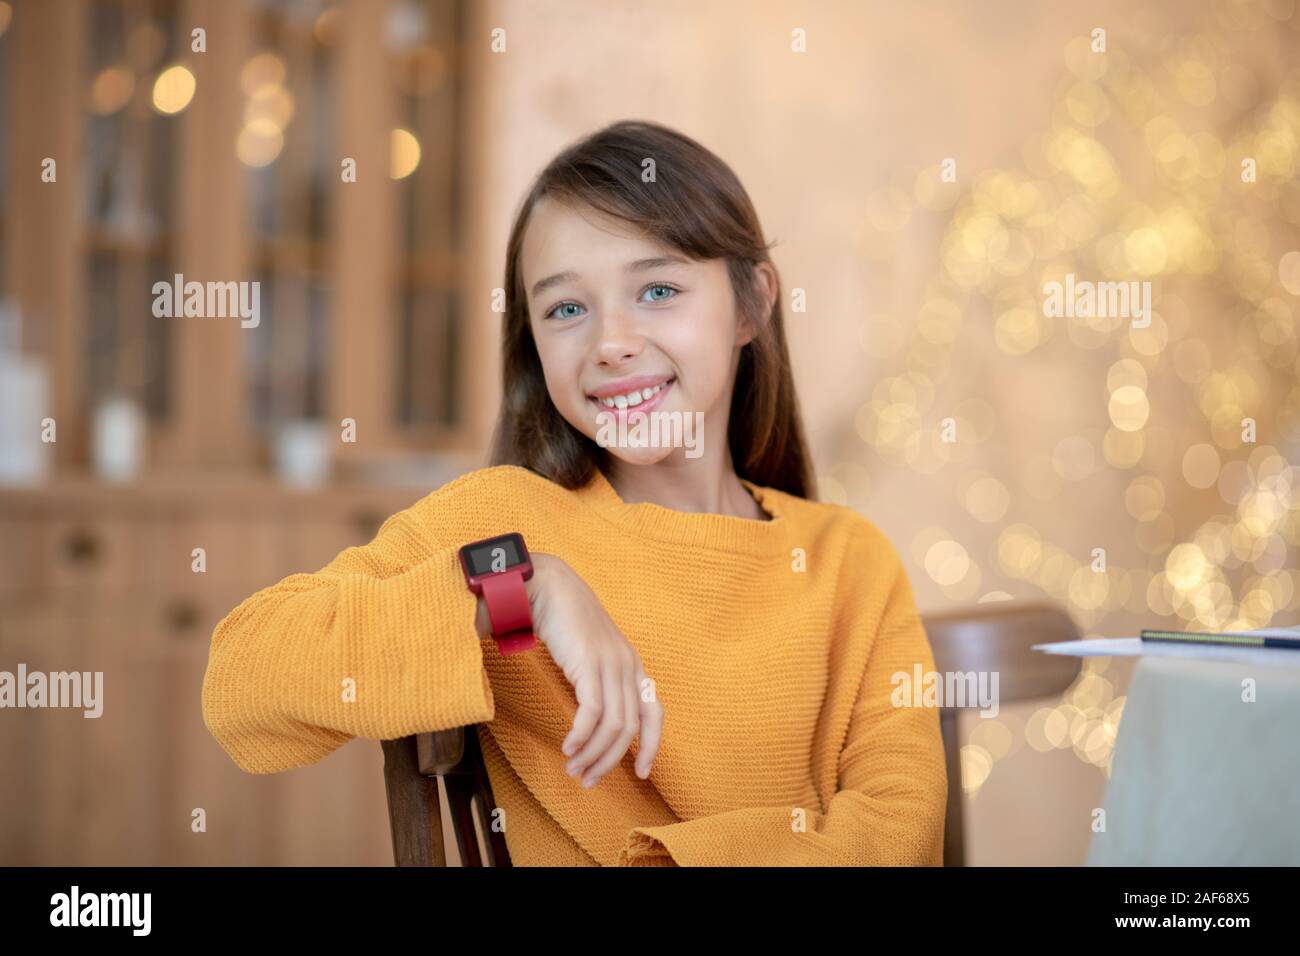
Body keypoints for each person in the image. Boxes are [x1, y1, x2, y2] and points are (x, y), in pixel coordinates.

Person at [201, 119, 947, 866]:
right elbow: (243, 679)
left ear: (751, 306)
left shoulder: (851, 563)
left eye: (657, 289)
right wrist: (527, 590)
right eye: (565, 309)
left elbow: (899, 833)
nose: (610, 343)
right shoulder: (504, 530)